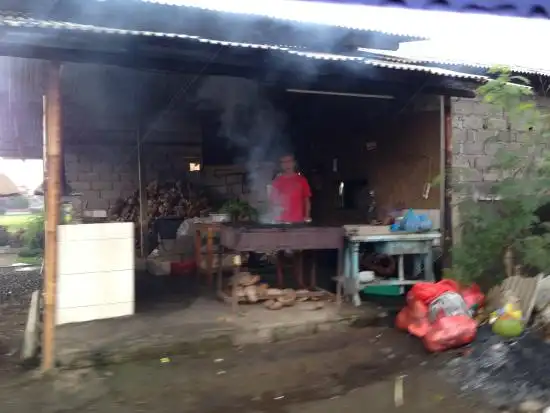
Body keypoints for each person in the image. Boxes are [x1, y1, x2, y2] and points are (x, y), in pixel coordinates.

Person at [271, 153, 312, 223]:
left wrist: (307, 216)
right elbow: (273, 202)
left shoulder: (302, 180)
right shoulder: (277, 182)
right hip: (281, 222)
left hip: (298, 221)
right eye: (284, 162)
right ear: (281, 165)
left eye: (289, 161)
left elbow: (306, 200)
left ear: (294, 163)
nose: (287, 164)